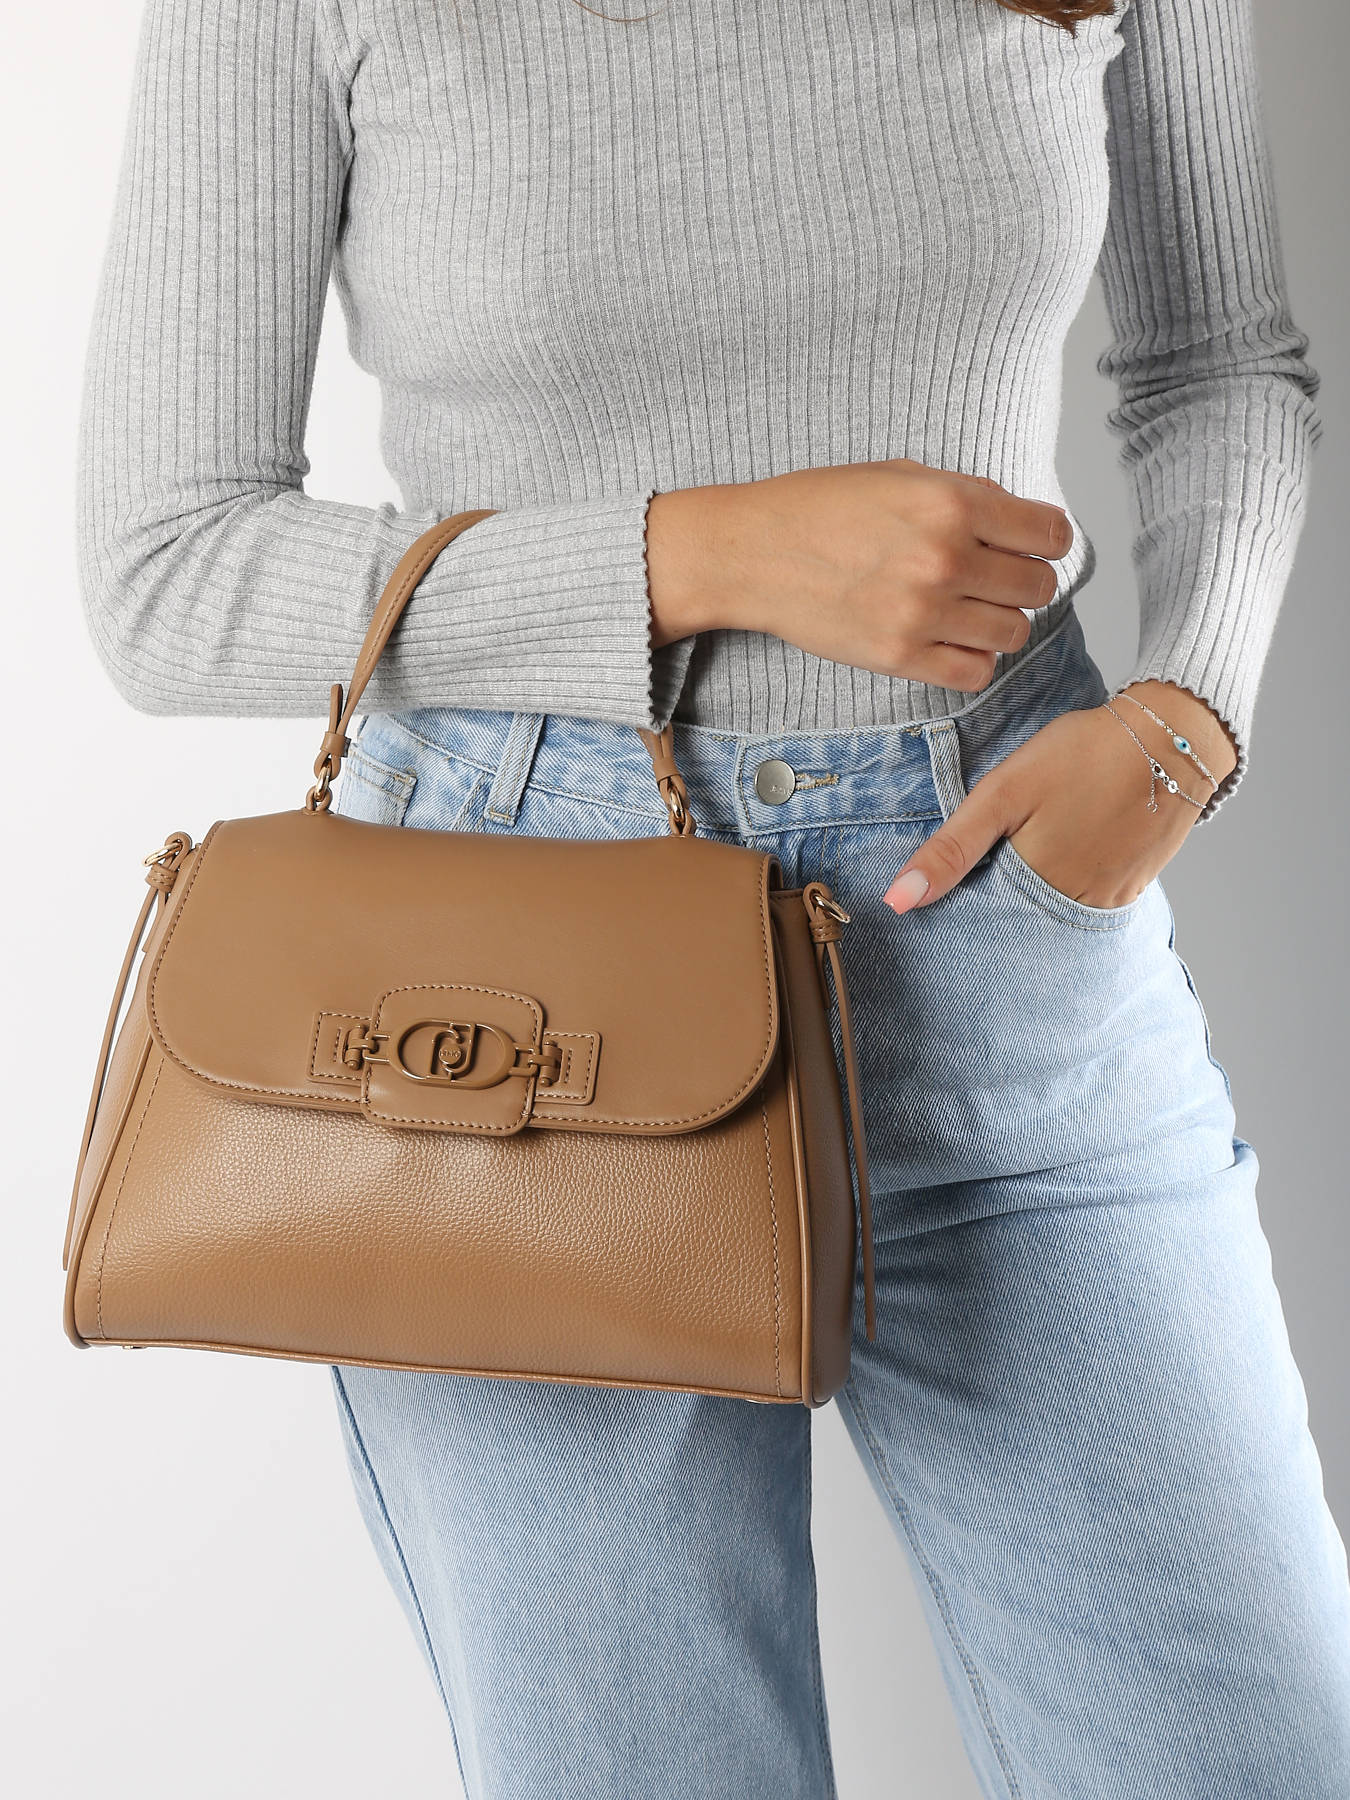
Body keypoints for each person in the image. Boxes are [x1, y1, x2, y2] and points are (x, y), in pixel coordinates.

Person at [76, 0, 1350, 1793]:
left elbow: (1218, 358)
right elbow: (164, 572)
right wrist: (697, 551)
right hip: (510, 1032)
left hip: (1000, 920)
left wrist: (1183, 721)